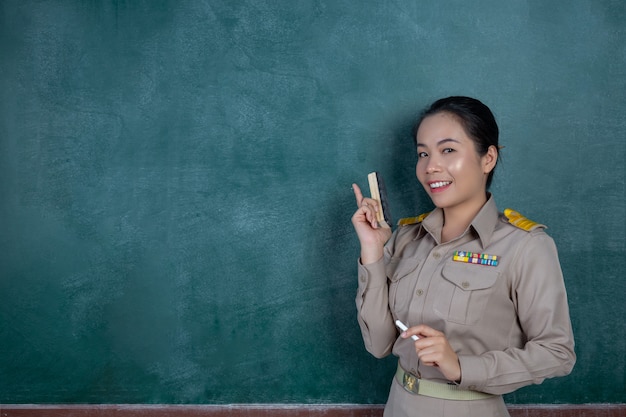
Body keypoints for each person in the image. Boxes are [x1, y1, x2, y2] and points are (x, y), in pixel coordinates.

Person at [351, 96, 575, 417]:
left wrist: (460, 366)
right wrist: (372, 253)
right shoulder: (405, 239)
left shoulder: (526, 246)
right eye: (423, 153)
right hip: (398, 404)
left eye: (448, 150)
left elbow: (557, 353)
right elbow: (379, 345)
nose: (431, 167)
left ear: (488, 159)